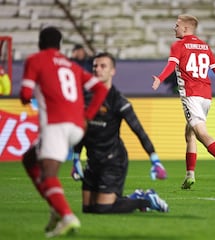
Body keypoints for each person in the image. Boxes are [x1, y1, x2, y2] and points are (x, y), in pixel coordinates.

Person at [20, 27, 108, 237]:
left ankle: (67, 216)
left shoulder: (36, 60)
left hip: (56, 124)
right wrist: (88, 116)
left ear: (40, 43)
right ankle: (55, 207)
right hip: (78, 126)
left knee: (49, 173)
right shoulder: (72, 66)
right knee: (29, 160)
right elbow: (101, 89)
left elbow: (24, 94)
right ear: (60, 45)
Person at [152, 14, 215, 189]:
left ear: (186, 28)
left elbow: (171, 66)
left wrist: (159, 78)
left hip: (191, 95)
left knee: (201, 132)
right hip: (206, 96)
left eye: (177, 25)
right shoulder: (204, 46)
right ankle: (190, 175)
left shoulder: (178, 45)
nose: (174, 28)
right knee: (190, 133)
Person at [72, 52, 168, 214]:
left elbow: (138, 130)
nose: (98, 70)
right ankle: (135, 196)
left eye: (103, 66)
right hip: (93, 159)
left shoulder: (117, 100)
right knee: (88, 209)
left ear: (112, 71)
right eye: (95, 66)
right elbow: (83, 130)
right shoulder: (85, 97)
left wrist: (155, 160)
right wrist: (76, 159)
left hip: (113, 160)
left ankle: (146, 200)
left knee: (103, 209)